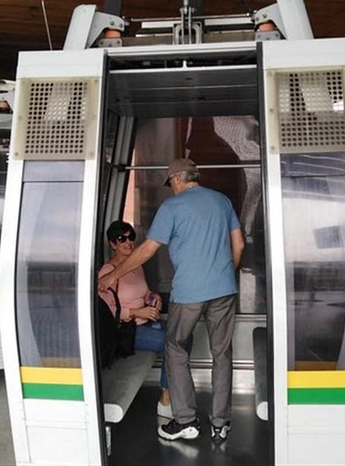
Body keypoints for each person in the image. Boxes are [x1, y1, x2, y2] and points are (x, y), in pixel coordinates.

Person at [99, 158, 245, 442]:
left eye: (171, 184)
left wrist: (112, 275)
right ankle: (220, 424)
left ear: (177, 179)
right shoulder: (222, 201)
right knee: (222, 354)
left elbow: (147, 251)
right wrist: (226, 274)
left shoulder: (172, 207)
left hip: (189, 293)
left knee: (175, 348)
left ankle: (186, 420)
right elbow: (238, 244)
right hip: (224, 291)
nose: (172, 189)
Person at [98, 220, 174, 418]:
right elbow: (106, 312)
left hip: (147, 323)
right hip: (129, 330)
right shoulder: (108, 273)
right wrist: (137, 313)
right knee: (173, 343)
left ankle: (171, 390)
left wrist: (153, 297)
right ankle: (167, 397)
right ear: (112, 244)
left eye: (131, 237)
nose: (128, 242)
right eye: (121, 239)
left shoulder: (136, 266)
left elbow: (145, 292)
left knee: (183, 334)